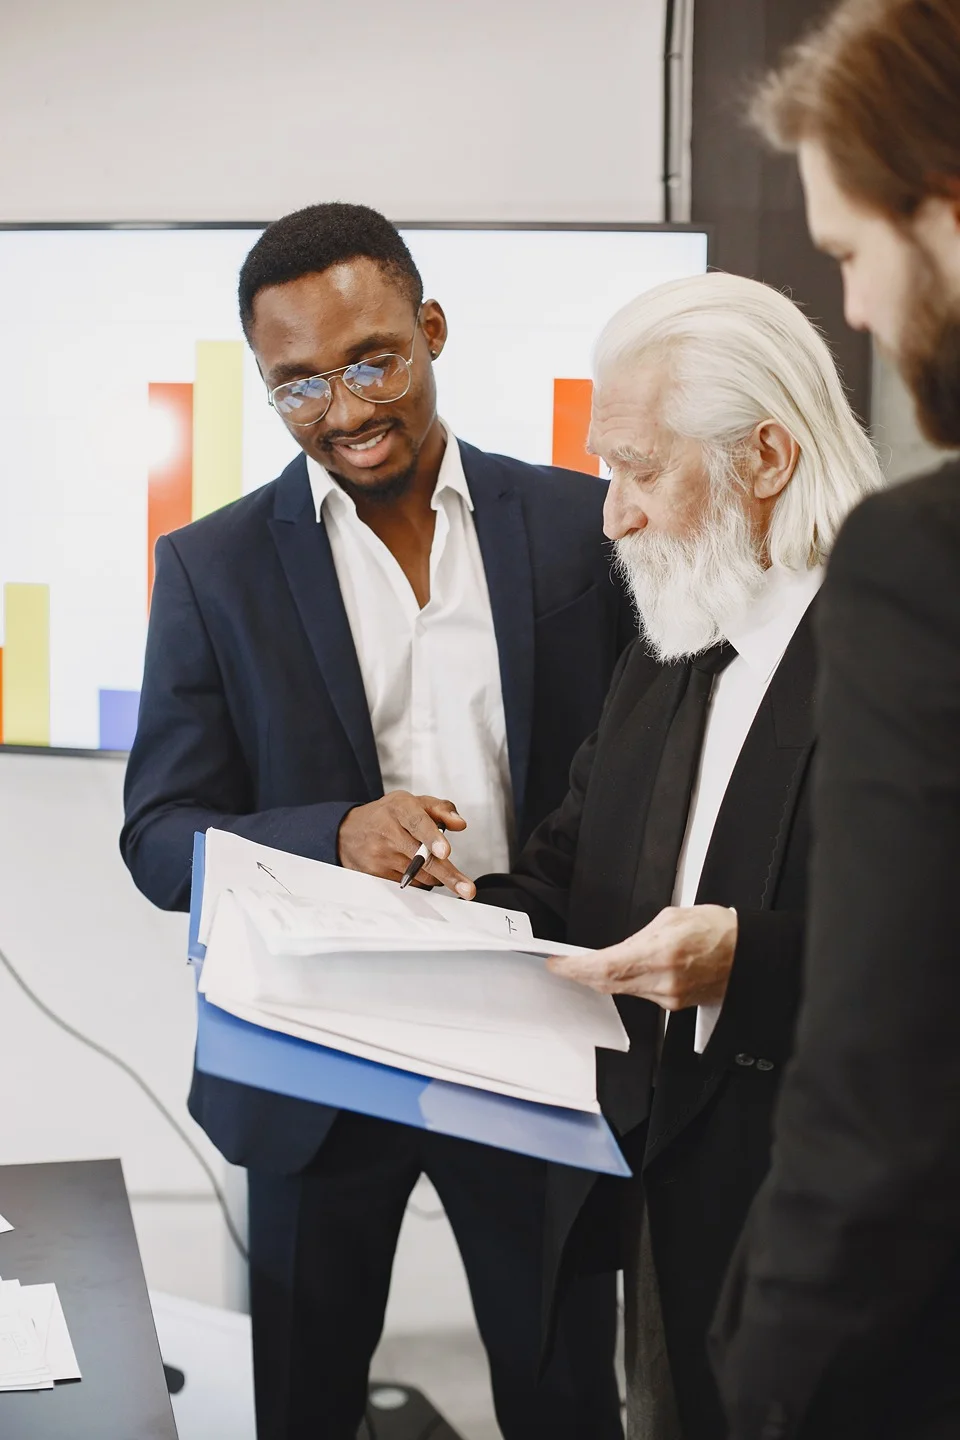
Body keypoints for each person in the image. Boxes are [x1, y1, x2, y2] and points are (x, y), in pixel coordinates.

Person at [121, 203, 635, 1440]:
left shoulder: (582, 528)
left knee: (565, 1393)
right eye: (297, 386)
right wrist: (332, 831)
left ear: (433, 331)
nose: (344, 411)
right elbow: (158, 836)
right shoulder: (212, 567)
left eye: (373, 362)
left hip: (538, 1022)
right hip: (315, 1049)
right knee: (304, 1398)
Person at [459, 271, 883, 1440]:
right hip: (656, 1222)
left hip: (840, 1252)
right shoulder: (669, 641)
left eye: (640, 470)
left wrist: (746, 961)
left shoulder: (906, 653)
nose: (613, 515)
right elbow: (568, 877)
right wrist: (442, 910)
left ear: (767, 458)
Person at [707, 5, 960, 1438]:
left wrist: (769, 1378)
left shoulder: (917, 567)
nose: (855, 309)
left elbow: (887, 1086)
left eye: (855, 253)